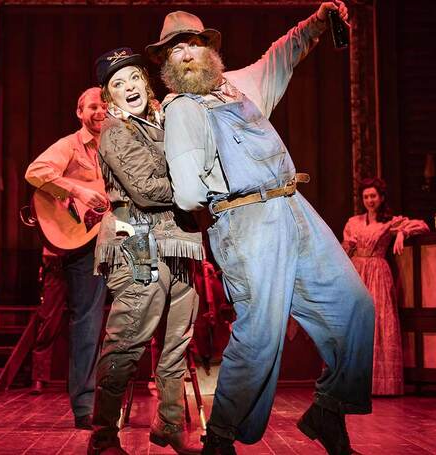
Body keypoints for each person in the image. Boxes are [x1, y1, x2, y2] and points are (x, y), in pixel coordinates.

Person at [148, 4, 375, 454]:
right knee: (260, 335)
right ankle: (222, 436)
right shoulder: (181, 108)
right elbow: (190, 195)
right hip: (245, 220)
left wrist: (317, 21)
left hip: (294, 207)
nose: (187, 53)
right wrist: (216, 189)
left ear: (210, 49)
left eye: (194, 43)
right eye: (176, 49)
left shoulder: (241, 85)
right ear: (166, 65)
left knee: (354, 306)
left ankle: (329, 411)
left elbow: (283, 54)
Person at [87, 48, 203, 455]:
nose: (128, 87)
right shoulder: (117, 132)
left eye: (133, 77)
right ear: (109, 96)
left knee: (177, 341)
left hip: (179, 241)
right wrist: (197, 187)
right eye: (117, 84)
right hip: (137, 239)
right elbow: (148, 190)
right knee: (126, 340)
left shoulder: (167, 123)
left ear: (146, 81)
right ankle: (103, 436)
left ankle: (169, 423)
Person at [25, 87, 109, 429]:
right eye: (92, 106)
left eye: (104, 105)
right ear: (80, 112)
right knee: (87, 323)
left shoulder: (120, 143)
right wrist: (77, 190)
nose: (99, 111)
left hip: (119, 237)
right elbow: (35, 171)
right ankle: (85, 407)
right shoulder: (70, 145)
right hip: (82, 242)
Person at [342, 178, 428, 396]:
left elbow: (422, 225)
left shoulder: (389, 222)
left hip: (378, 271)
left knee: (379, 321)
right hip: (356, 272)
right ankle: (352, 380)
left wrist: (401, 233)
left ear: (380, 198)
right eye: (366, 196)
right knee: (355, 322)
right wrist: (349, 246)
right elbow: (344, 250)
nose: (369, 200)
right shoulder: (353, 222)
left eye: (373, 196)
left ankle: (381, 384)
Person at [29, 248, 68, 395]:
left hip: (83, 261)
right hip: (56, 262)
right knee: (48, 322)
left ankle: (81, 380)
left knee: (83, 323)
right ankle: (39, 376)